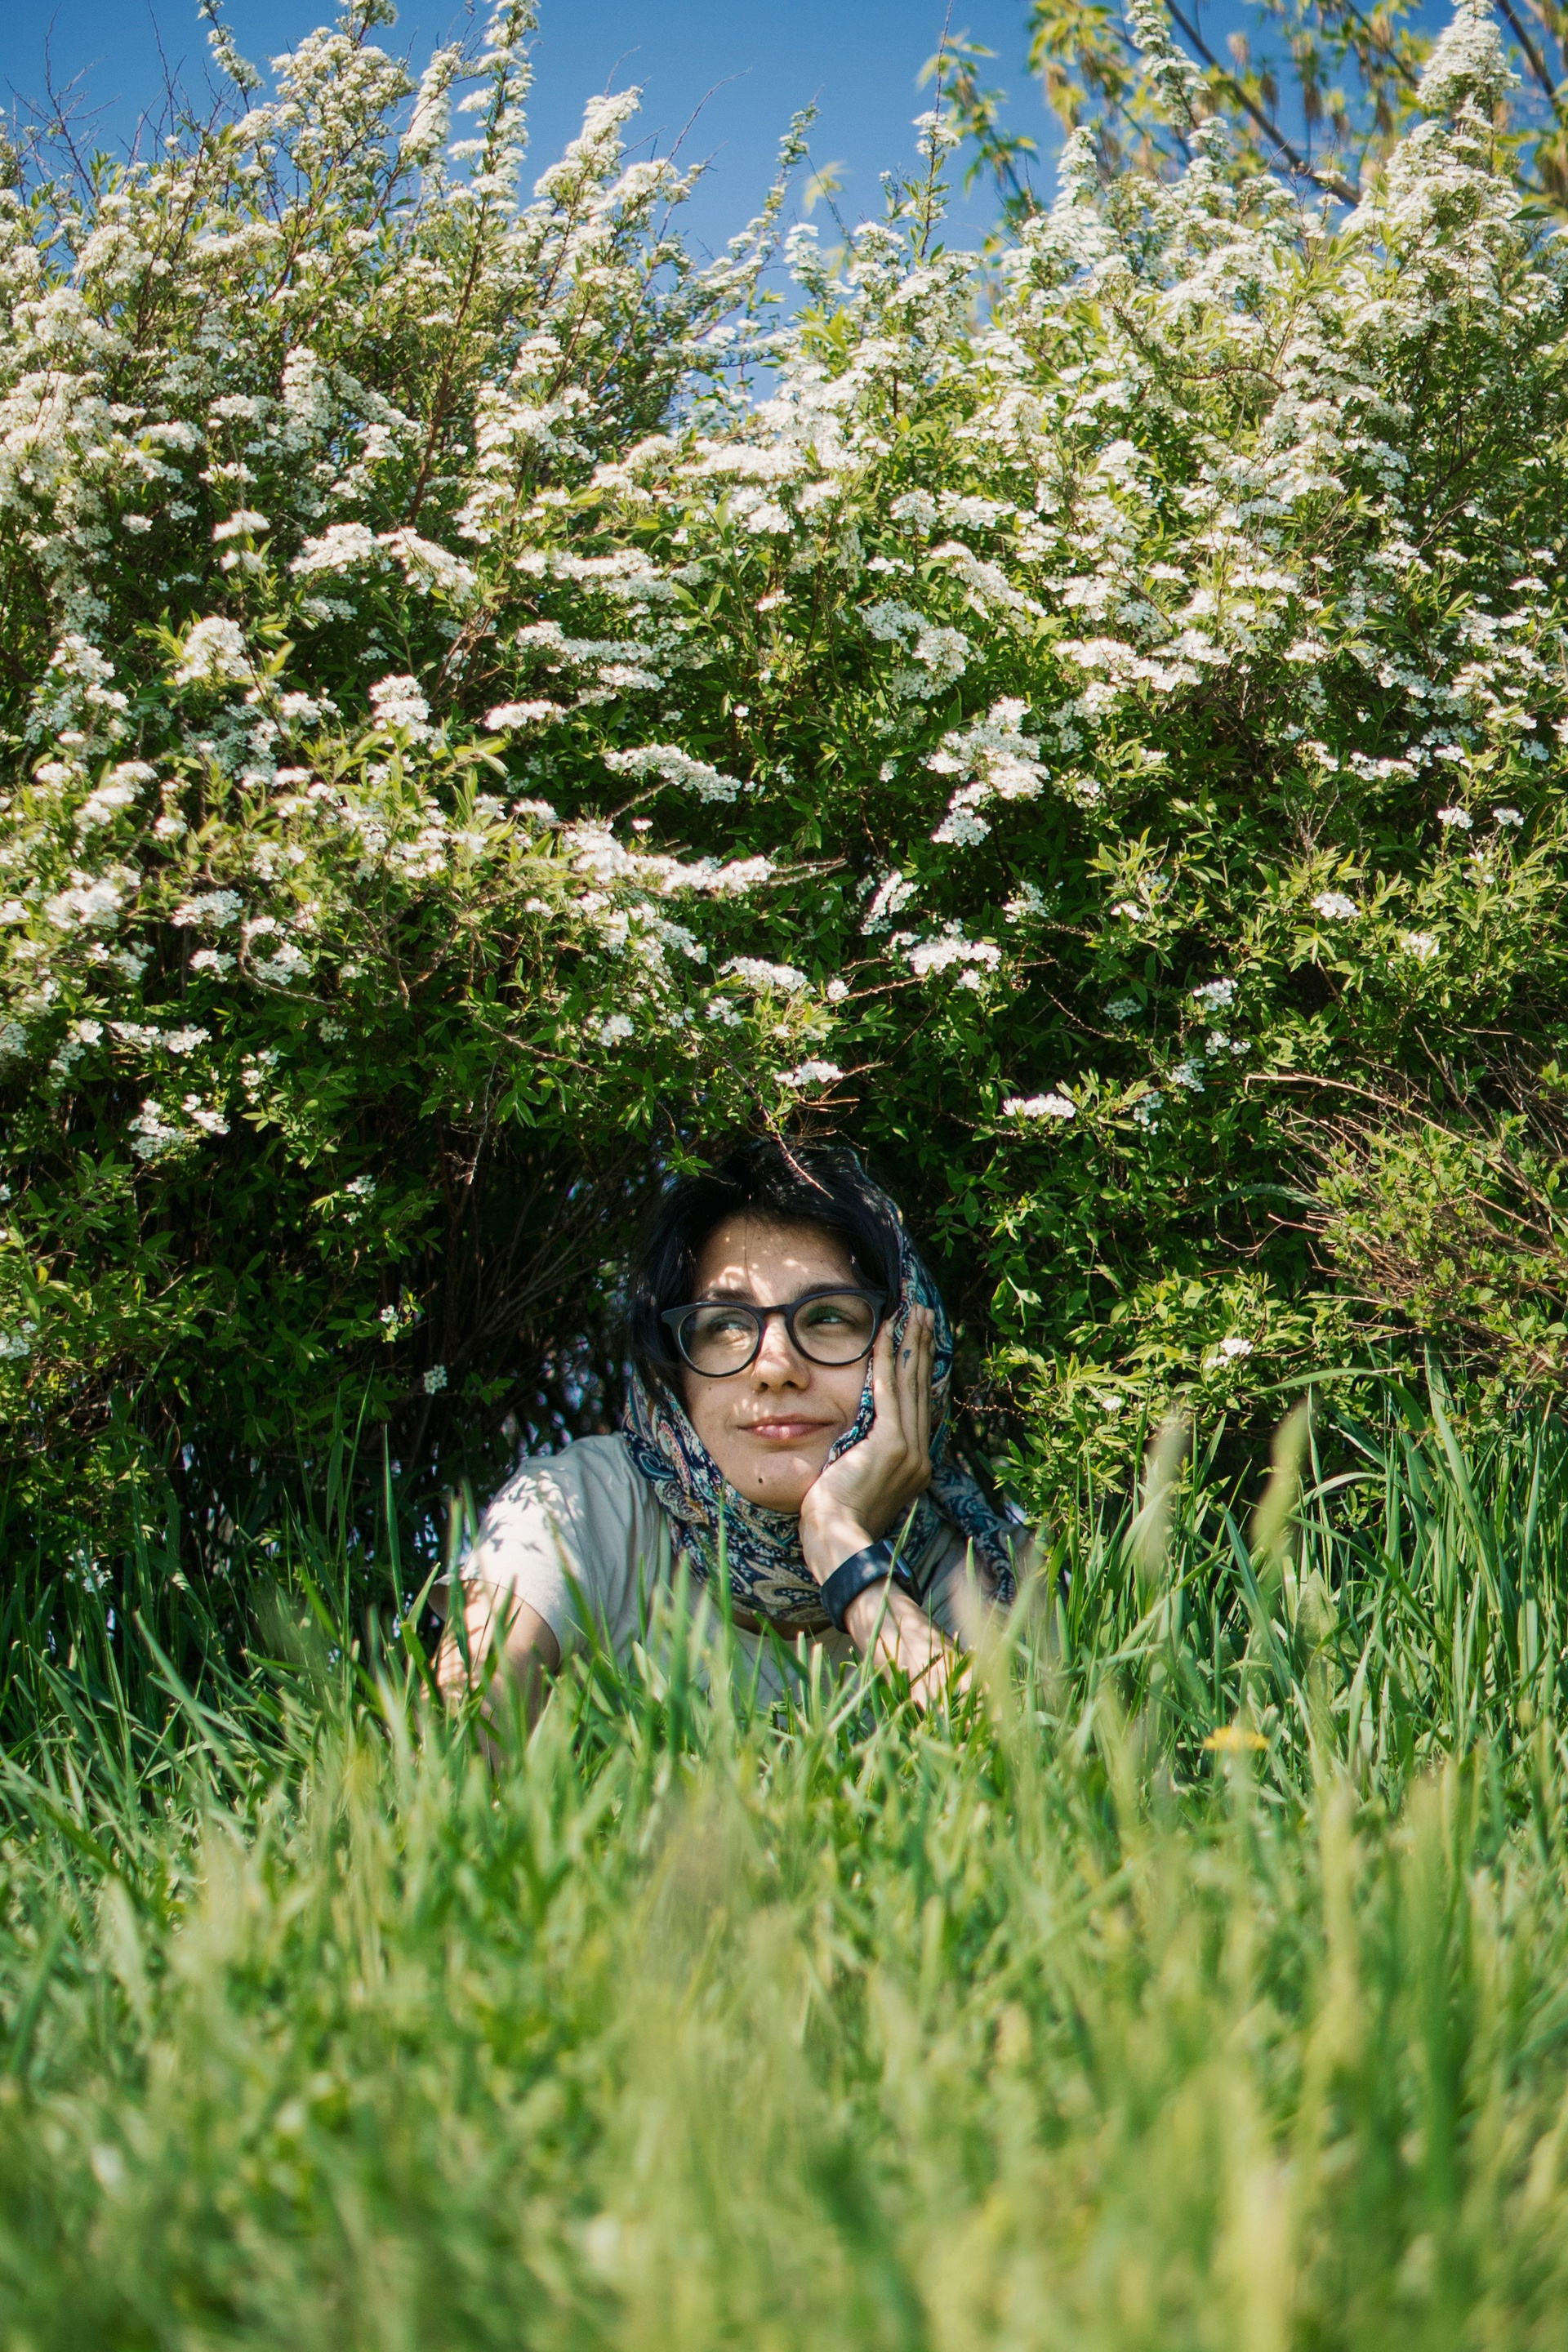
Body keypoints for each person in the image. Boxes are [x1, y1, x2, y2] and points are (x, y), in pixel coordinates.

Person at [434, 1139, 1025, 1719]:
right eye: (724, 1325)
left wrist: (846, 1551)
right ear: (672, 1374)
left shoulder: (985, 1567)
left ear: (910, 1351)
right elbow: (462, 1736)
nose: (775, 1367)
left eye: (828, 1317)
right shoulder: (586, 1504)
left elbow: (1014, 1766)